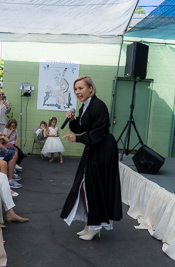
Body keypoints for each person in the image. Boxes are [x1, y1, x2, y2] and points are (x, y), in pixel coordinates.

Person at [60, 76, 122, 241]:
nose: (77, 92)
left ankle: (95, 225)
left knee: (93, 186)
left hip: (103, 149)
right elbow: (81, 127)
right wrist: (72, 121)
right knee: (85, 185)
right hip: (94, 148)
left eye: (81, 88)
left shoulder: (98, 106)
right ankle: (91, 223)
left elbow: (97, 133)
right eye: (75, 89)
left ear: (90, 89)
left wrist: (78, 139)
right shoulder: (85, 106)